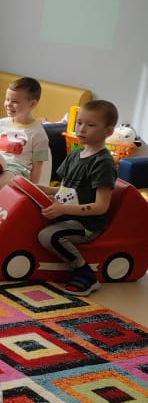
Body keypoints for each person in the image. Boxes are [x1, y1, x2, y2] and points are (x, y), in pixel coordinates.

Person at [37, 99, 118, 295]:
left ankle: (85, 273)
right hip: (66, 215)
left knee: (48, 235)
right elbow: (65, 190)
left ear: (108, 131)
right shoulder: (74, 155)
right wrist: (42, 189)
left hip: (87, 224)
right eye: (79, 122)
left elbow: (101, 206)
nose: (81, 129)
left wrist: (63, 209)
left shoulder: (103, 163)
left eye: (90, 125)